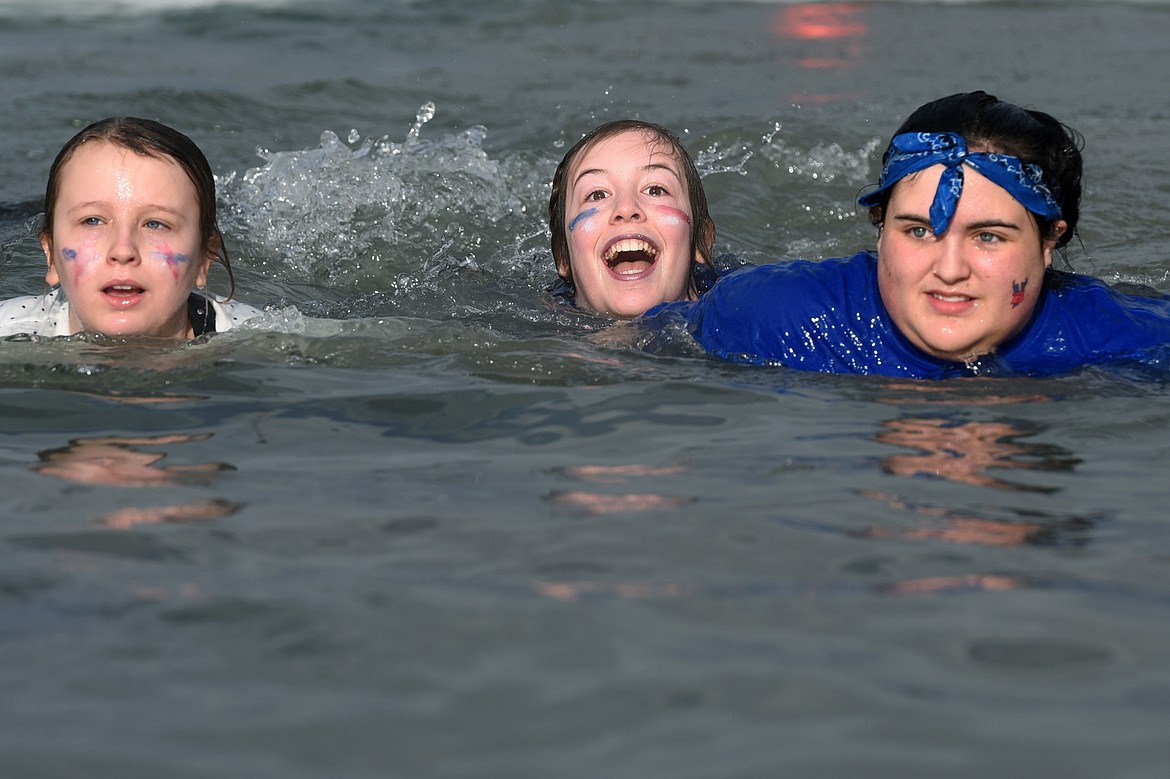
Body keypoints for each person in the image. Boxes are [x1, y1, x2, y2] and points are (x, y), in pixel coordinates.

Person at [644, 91, 1170, 378]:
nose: (948, 269)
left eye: (988, 237)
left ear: (1050, 241)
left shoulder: (1120, 341)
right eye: (919, 230)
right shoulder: (770, 317)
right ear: (879, 226)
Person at [0, 116, 262, 339]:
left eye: (155, 224)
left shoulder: (256, 340)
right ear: (51, 254)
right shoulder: (11, 334)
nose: (123, 250)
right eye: (92, 220)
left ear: (204, 258)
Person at [547, 119, 717, 318]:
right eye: (597, 195)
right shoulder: (529, 335)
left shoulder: (745, 310)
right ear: (562, 257)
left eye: (655, 190)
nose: (626, 208)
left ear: (701, 241)